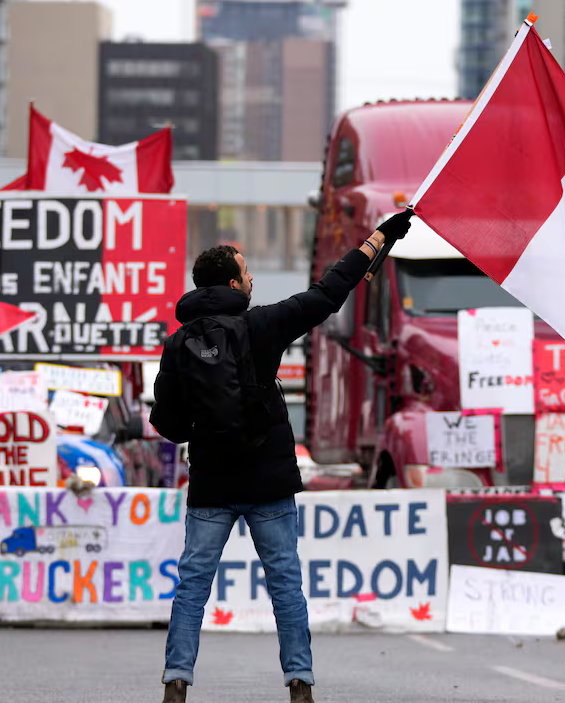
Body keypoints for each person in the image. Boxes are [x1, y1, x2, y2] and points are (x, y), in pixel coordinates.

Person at [151, 210, 414, 703]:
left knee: (192, 587)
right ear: (233, 282)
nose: (253, 279)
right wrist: (380, 237)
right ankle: (299, 685)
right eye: (247, 272)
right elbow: (328, 292)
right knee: (285, 585)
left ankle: (176, 682)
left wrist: (204, 430)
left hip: (211, 484)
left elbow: (164, 423)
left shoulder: (177, 343)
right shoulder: (263, 325)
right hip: (268, 481)